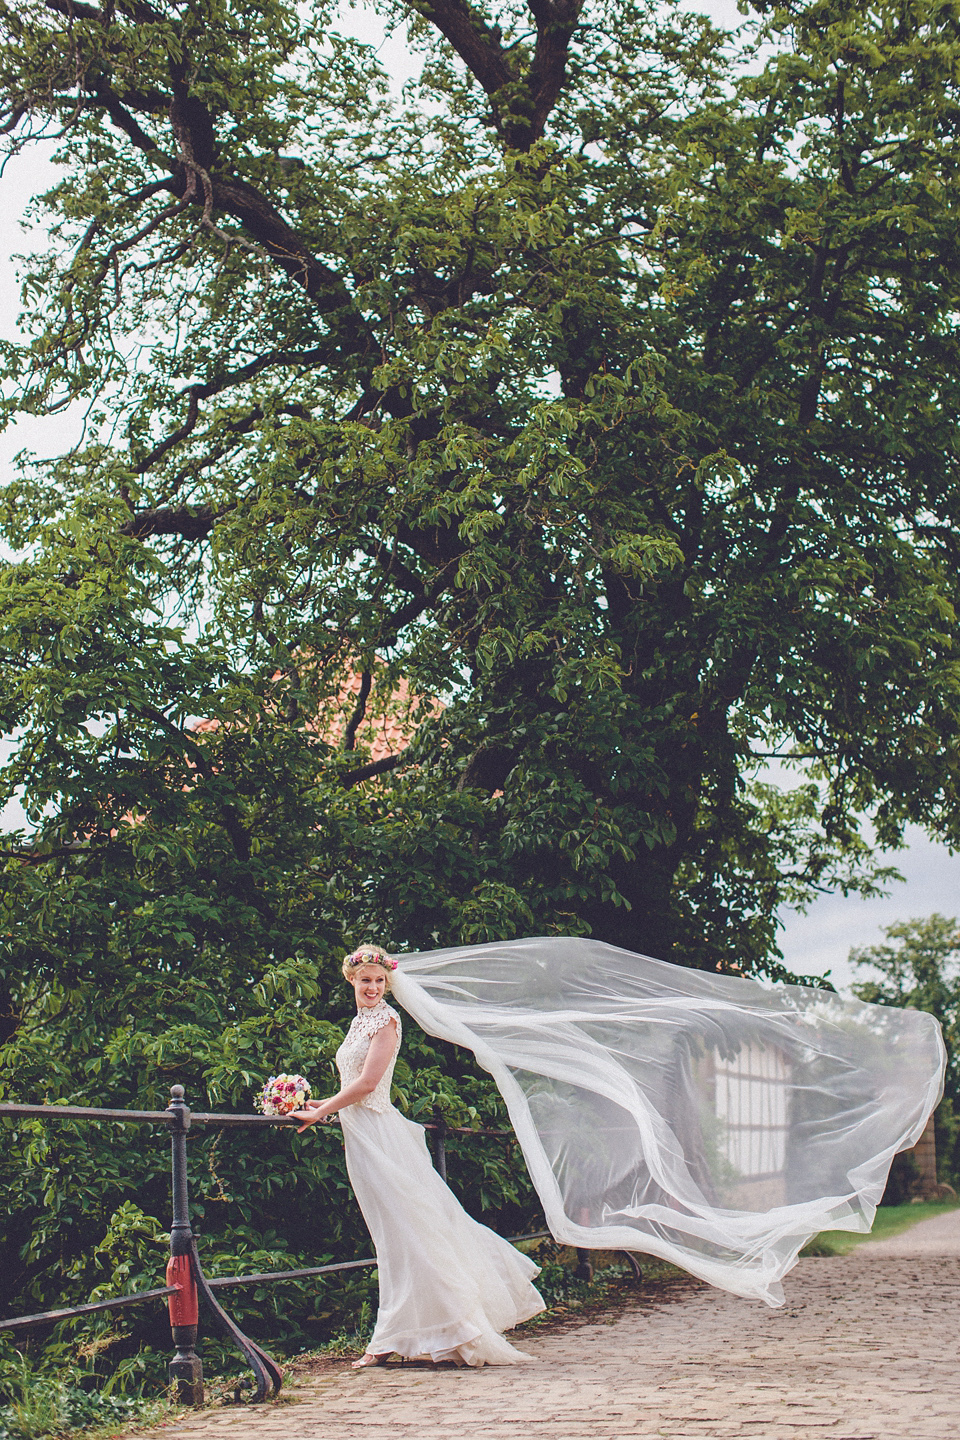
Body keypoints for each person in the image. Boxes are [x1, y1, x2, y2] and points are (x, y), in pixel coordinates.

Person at [292, 943, 545, 1368]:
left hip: (380, 1136)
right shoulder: (358, 1024)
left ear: (386, 984)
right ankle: (395, 1334)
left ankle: (456, 1329)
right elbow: (351, 1083)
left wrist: (320, 1110)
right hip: (361, 1138)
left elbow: (369, 1083)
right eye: (365, 980)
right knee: (390, 1237)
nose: (372, 987)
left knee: (411, 1231)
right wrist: (313, 1106)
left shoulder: (386, 1022)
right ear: (351, 980)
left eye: (379, 981)